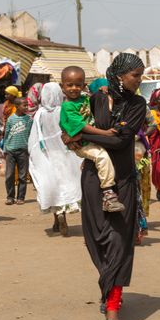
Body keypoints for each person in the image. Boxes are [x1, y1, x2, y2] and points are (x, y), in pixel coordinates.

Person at [61, 53, 147, 320]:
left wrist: (79, 136)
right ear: (120, 75)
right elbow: (67, 122)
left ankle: (113, 305)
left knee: (120, 241)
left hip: (122, 180)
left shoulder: (137, 104)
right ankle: (107, 285)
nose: (139, 80)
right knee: (95, 238)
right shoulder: (95, 99)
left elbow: (122, 141)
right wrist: (75, 134)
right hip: (92, 179)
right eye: (135, 75)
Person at [59, 66, 125, 213]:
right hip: (82, 144)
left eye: (78, 84)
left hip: (90, 140)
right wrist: (105, 133)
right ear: (62, 86)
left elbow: (93, 100)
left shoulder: (84, 99)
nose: (74, 88)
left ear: (84, 86)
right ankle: (108, 195)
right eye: (69, 85)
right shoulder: (68, 107)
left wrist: (101, 89)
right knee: (101, 156)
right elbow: (83, 127)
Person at [28, 82, 82, 236]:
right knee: (66, 184)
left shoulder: (39, 114)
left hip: (48, 157)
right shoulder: (63, 111)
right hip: (66, 155)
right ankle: (62, 215)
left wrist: (34, 158)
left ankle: (58, 217)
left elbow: (34, 139)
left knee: (53, 187)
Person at [3, 98, 32, 205]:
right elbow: (6, 134)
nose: (26, 107)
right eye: (24, 105)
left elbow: (31, 135)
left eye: (27, 105)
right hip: (10, 151)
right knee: (9, 175)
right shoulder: (11, 119)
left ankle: (21, 197)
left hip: (23, 151)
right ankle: (10, 197)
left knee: (22, 176)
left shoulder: (29, 120)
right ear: (17, 106)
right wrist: (5, 148)